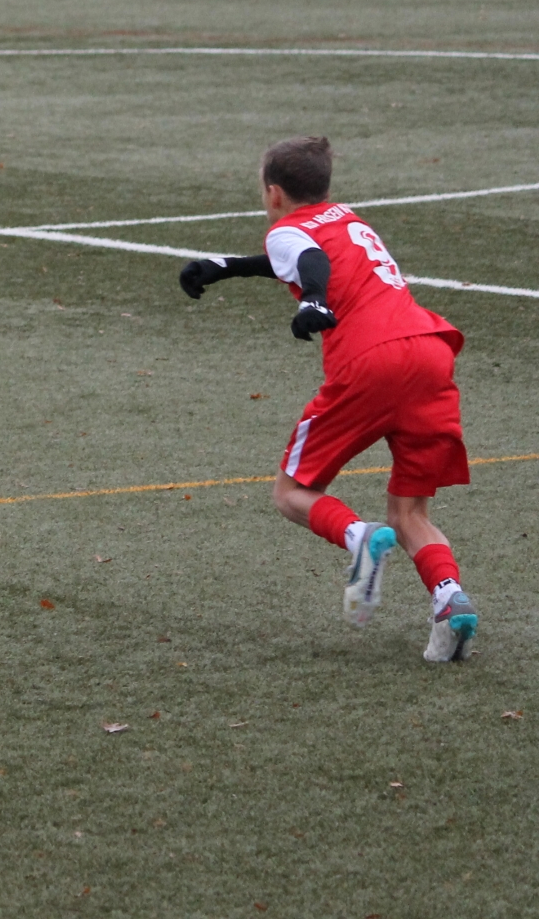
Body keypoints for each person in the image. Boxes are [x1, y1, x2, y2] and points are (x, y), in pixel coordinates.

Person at [178, 135, 476, 662]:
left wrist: (314, 300)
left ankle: (358, 536)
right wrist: (226, 266)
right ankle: (451, 602)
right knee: (411, 511)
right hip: (429, 351)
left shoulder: (287, 231)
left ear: (273, 193)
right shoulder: (346, 217)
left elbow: (311, 260)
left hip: (370, 360)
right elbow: (316, 255)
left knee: (291, 492)